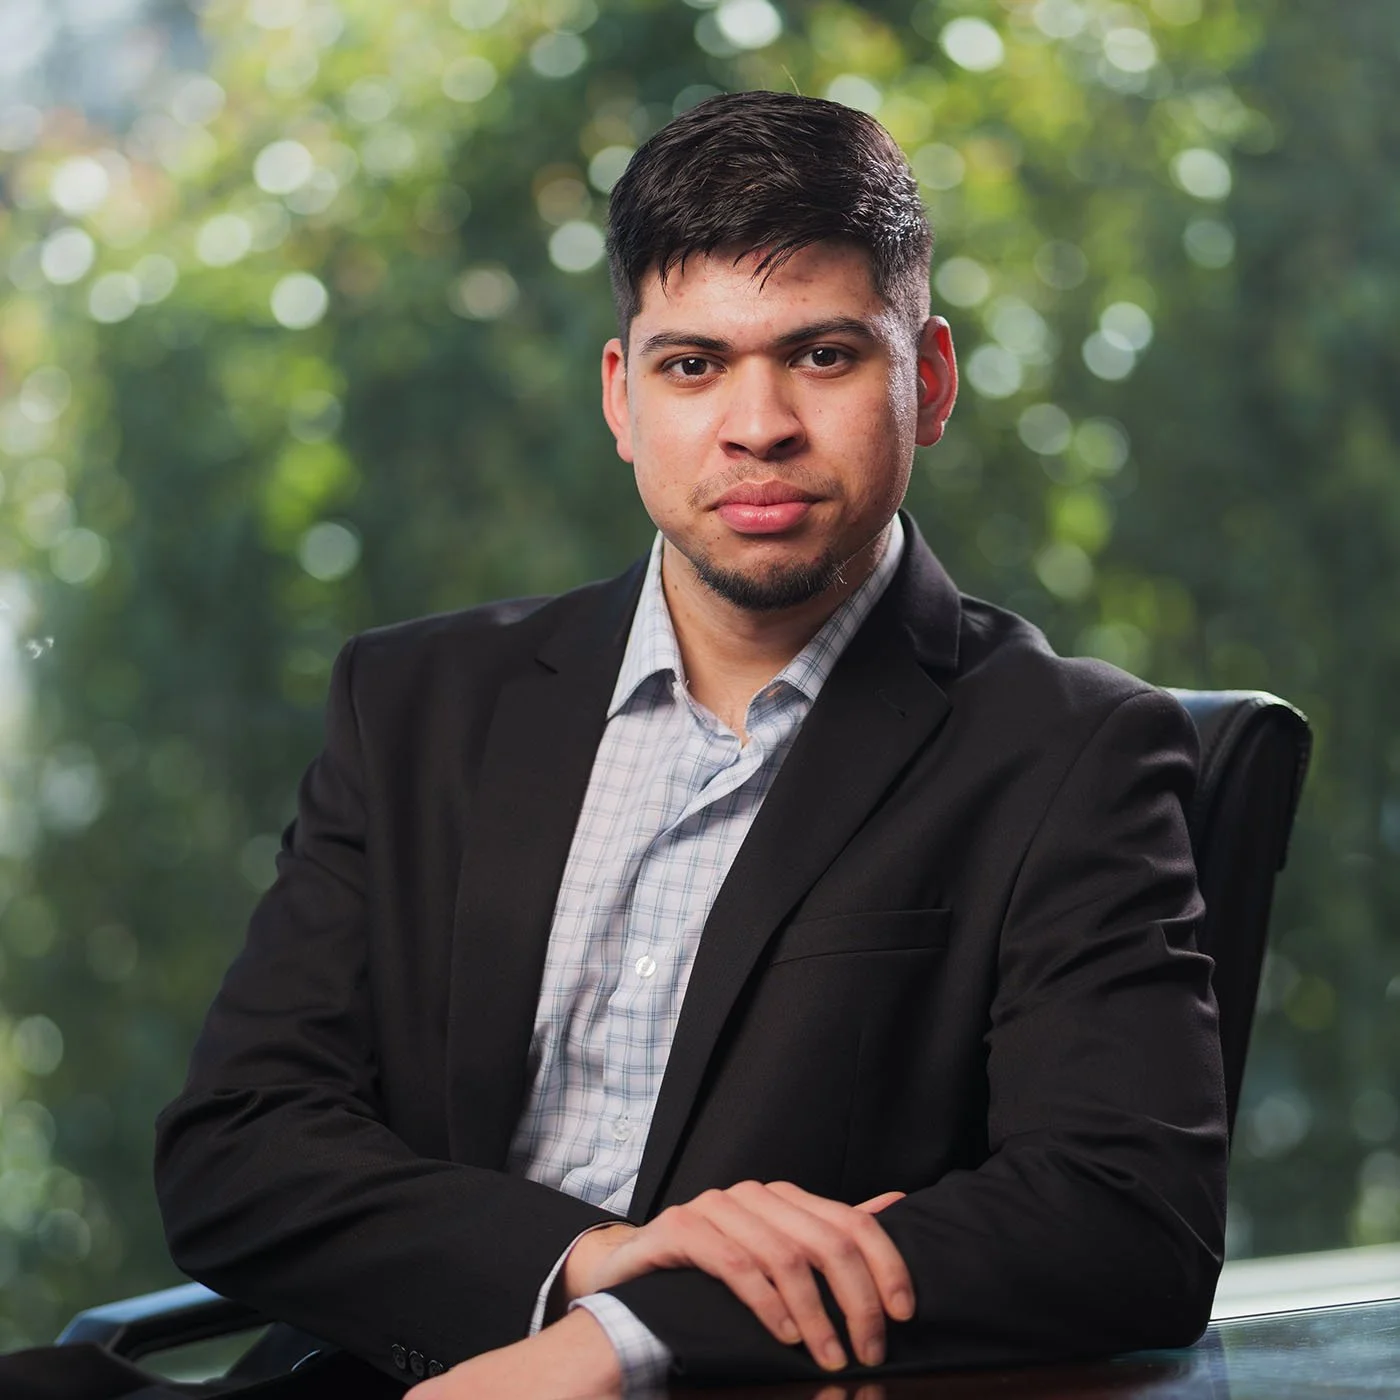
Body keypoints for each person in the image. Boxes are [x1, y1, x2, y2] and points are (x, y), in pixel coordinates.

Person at [153, 91, 1228, 1398]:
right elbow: (238, 1148)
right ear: (623, 398)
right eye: (693, 365)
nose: (757, 424)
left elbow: (1124, 1216)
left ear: (930, 380)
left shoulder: (1070, 752)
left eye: (822, 355)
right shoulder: (416, 704)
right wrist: (581, 1265)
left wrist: (631, 1340)